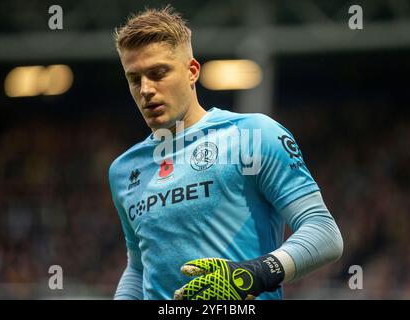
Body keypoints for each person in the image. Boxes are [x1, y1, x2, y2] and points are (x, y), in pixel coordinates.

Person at [109, 5, 343, 300]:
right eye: (134, 79)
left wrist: (254, 274)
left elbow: (324, 232)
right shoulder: (123, 170)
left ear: (192, 71)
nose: (145, 89)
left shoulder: (253, 136)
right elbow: (139, 268)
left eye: (158, 73)